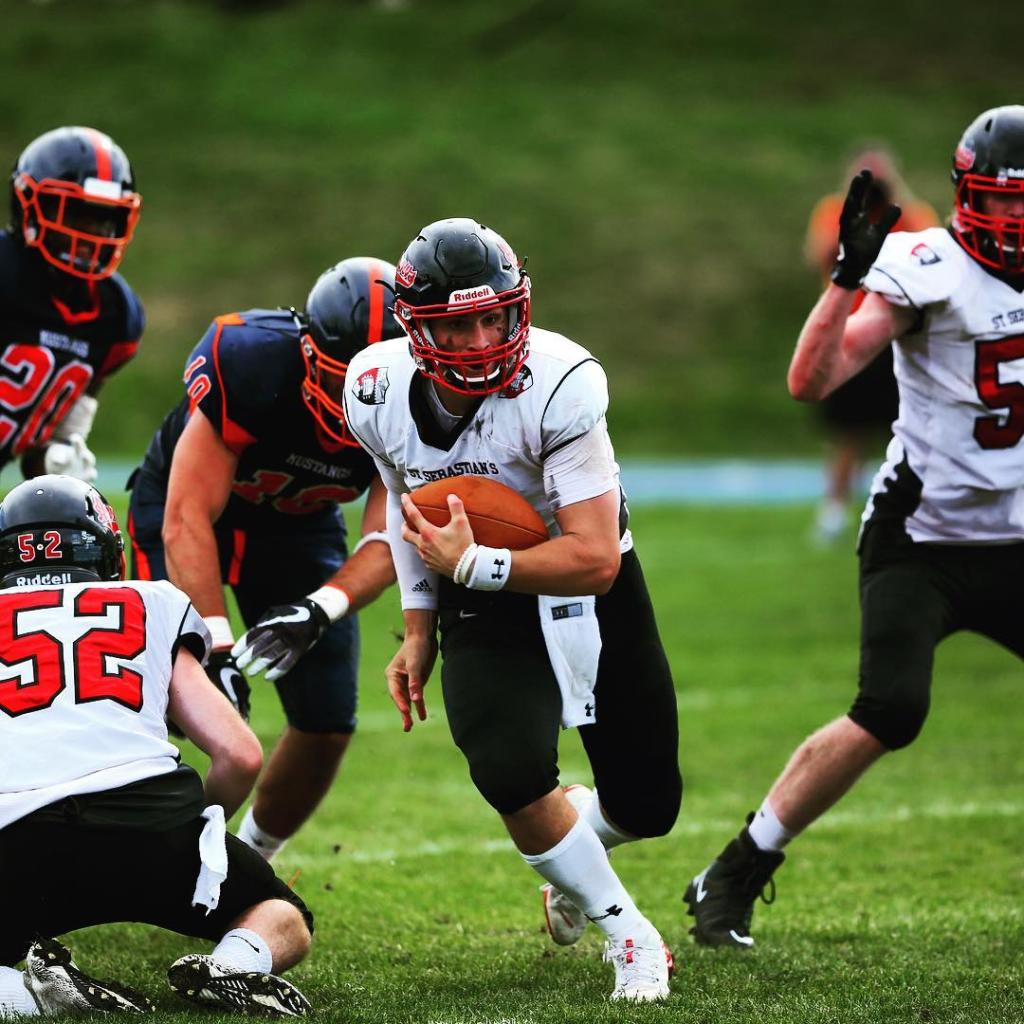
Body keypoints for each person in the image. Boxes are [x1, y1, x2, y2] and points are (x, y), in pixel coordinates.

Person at [684, 105, 1024, 948]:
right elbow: (814, 379)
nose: (1013, 218)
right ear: (965, 197)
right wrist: (844, 282)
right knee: (891, 707)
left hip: (1016, 536)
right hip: (925, 537)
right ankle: (734, 870)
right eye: (1000, 199)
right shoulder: (928, 267)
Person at [342, 218, 683, 1002]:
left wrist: (476, 562)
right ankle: (629, 934)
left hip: (579, 582)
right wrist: (420, 626)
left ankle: (574, 862)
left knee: (648, 805)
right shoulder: (376, 389)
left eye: (494, 316)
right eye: (458, 323)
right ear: (416, 328)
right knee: (509, 769)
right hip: (474, 591)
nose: (482, 337)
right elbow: (406, 507)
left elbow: (595, 559)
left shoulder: (562, 381)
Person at [0, 475, 312, 1017]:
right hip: (149, 817)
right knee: (279, 912)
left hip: (17, 832)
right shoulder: (151, 601)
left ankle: (27, 996)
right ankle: (233, 965)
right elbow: (240, 755)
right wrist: (200, 835)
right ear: (103, 548)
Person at [127, 257, 400, 861]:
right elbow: (187, 517)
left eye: (378, 385)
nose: (358, 402)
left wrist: (318, 611)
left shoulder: (417, 409)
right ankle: (120, 851)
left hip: (298, 531)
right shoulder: (251, 361)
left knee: (327, 720)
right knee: (144, 701)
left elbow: (389, 542)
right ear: (309, 355)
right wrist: (218, 646)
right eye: (341, 379)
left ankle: (248, 859)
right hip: (186, 511)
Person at [803, 146, 939, 544]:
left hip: (896, 333)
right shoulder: (836, 211)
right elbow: (821, 255)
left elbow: (930, 257)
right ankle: (834, 511)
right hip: (850, 328)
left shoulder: (910, 215)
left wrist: (896, 206)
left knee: (909, 429)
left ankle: (907, 509)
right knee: (849, 432)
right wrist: (854, 220)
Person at [1, 126, 145, 484]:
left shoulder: (115, 318)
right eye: (75, 215)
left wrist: (58, 458)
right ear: (29, 209)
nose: (89, 234)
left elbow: (44, 449)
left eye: (103, 220)